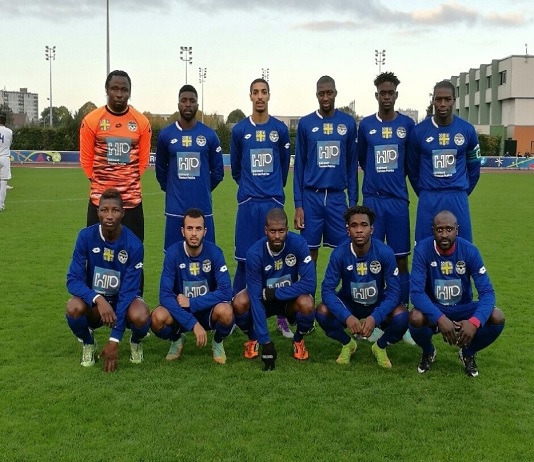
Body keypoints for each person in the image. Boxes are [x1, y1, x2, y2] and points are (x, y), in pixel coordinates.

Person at [230, 78, 292, 338]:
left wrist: (274, 192)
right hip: (248, 205)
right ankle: (235, 314)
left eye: (263, 92)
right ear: (250, 96)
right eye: (255, 92)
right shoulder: (239, 130)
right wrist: (249, 191)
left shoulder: (280, 129)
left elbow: (283, 165)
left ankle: (281, 317)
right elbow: (235, 169)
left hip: (272, 203)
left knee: (278, 262)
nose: (259, 97)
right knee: (244, 261)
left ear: (269, 96)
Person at [408, 210, 505, 377]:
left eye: (449, 229)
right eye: (439, 230)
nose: (444, 234)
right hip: (436, 308)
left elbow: (487, 292)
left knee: (497, 316)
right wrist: (440, 318)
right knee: (415, 317)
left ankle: (468, 352)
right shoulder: (422, 250)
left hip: (463, 307)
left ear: (457, 230)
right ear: (433, 230)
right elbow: (416, 293)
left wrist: (474, 322)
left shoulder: (469, 251)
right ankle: (429, 351)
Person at [65, 188, 151, 372]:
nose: (109, 215)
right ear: (97, 212)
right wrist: (98, 299)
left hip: (123, 304)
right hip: (96, 306)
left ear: (123, 213)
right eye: (104, 210)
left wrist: (114, 339)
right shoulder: (85, 237)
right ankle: (89, 343)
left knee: (141, 315)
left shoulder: (134, 245)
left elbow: (128, 292)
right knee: (73, 307)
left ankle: (135, 342)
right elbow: (73, 280)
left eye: (115, 210)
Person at [316, 205, 408, 368]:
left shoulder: (384, 252)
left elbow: (394, 292)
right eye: (354, 226)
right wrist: (346, 316)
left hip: (376, 303)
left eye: (364, 225)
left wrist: (375, 317)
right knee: (322, 312)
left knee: (402, 316)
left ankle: (380, 346)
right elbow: (327, 290)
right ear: (348, 230)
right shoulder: (339, 253)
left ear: (371, 229)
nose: (359, 230)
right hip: (350, 304)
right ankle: (348, 344)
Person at [232, 208, 316, 370]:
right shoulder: (255, 254)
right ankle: (253, 339)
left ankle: (298, 340)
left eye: (281, 231)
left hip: (287, 301)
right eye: (272, 231)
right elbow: (255, 298)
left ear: (287, 229)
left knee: (307, 303)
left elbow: (310, 283)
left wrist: (276, 292)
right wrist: (266, 341)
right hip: (264, 300)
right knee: (239, 302)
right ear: (266, 230)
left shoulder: (299, 244)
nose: (277, 236)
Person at [357, 72, 415, 306]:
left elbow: (410, 163)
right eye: (383, 93)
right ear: (376, 95)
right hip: (372, 201)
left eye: (391, 93)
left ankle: (402, 312)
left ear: (396, 95)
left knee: (400, 260)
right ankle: (374, 313)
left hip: (398, 201)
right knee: (372, 259)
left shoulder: (407, 125)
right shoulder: (367, 125)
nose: (387, 97)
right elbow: (362, 159)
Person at [151, 208, 234, 364]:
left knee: (226, 312)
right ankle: (176, 339)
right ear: (183, 231)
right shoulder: (173, 253)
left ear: (205, 231)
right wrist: (193, 324)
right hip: (181, 313)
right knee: (157, 317)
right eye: (190, 228)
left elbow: (226, 291)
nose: (194, 233)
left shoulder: (215, 253)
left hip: (207, 310)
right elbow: (165, 295)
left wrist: (192, 302)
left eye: (198, 228)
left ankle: (217, 342)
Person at [80, 70, 152, 242]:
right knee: (96, 259)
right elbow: (86, 162)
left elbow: (142, 163)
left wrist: (125, 184)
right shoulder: (91, 120)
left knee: (133, 259)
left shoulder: (141, 122)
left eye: (124, 90)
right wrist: (105, 186)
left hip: (131, 203)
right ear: (106, 90)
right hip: (100, 203)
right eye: (114, 89)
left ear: (130, 92)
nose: (119, 94)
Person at [293, 75, 358, 265]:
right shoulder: (306, 123)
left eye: (329, 93)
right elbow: (299, 167)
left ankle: (341, 294)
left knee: (345, 251)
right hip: (311, 198)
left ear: (336, 93)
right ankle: (308, 295)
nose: (325, 98)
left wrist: (352, 202)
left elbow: (352, 166)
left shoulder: (347, 123)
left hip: (338, 198)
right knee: (308, 254)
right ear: (316, 95)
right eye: (321, 94)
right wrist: (298, 204)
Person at [407, 80, 481, 244]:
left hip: (457, 196)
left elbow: (475, 168)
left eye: (447, 99)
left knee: (462, 246)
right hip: (429, 197)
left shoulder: (467, 130)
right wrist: (425, 191)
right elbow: (412, 170)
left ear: (454, 100)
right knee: (425, 246)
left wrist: (462, 191)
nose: (442, 104)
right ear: (432, 100)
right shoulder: (419, 131)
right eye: (438, 99)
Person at [156, 84, 224, 249]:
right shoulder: (166, 135)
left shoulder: (209, 135)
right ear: (178, 104)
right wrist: (174, 189)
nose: (188, 104)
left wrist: (202, 187)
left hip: (203, 208)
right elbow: (160, 171)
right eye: (184, 100)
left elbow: (218, 172)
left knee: (205, 258)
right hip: (175, 210)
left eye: (192, 101)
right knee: (173, 257)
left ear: (197, 105)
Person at [0, 114, 13, 211]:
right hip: (4, 158)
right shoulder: (9, 131)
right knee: (3, 183)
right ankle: (1, 205)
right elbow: (10, 143)